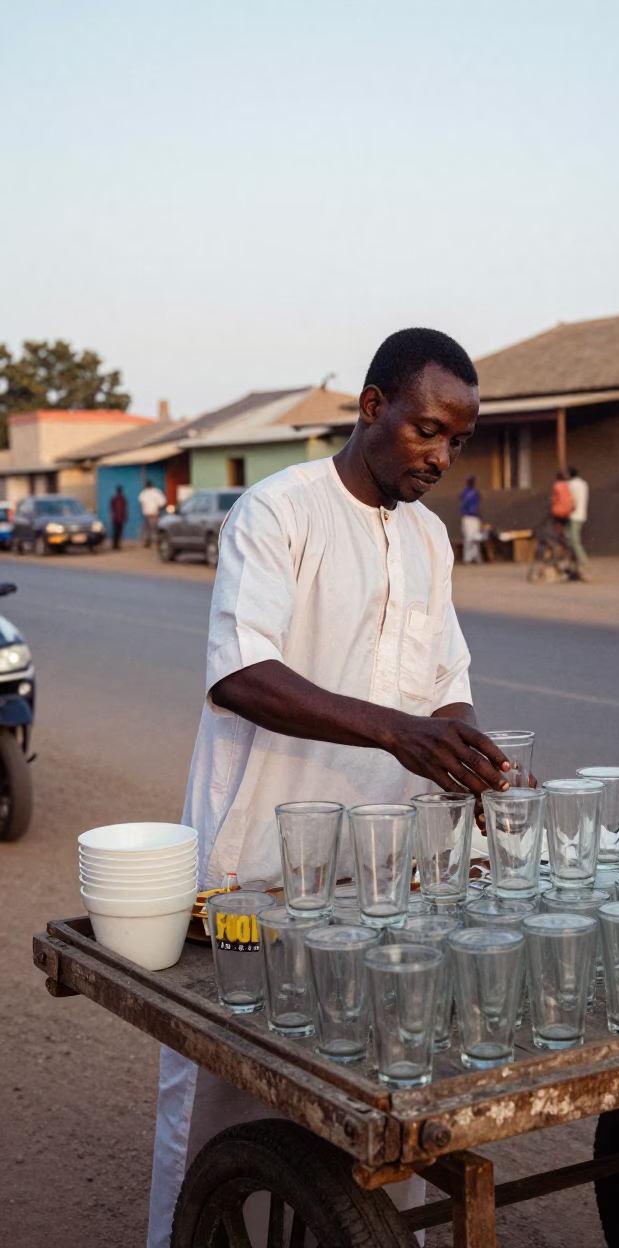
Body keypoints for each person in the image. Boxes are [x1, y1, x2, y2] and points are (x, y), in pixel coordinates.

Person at [146, 328, 514, 1248]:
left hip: (381, 866)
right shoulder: (278, 512)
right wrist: (399, 731)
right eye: (428, 430)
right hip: (257, 860)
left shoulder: (431, 538)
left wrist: (472, 753)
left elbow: (444, 679)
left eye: (457, 442)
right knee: (229, 1095)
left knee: (369, 1074)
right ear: (372, 406)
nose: (440, 455)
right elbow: (242, 672)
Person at [567, 466, 590, 580]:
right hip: (582, 514)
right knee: (574, 539)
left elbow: (570, 499)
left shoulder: (570, 485)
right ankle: (576, 562)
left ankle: (582, 560)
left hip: (573, 515)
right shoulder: (584, 484)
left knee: (573, 540)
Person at [459, 472, 483, 563]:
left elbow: (478, 505)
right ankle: (467, 559)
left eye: (471, 480)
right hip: (467, 517)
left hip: (475, 517)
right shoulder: (465, 492)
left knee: (476, 538)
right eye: (469, 480)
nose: (470, 482)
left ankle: (476, 558)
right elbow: (462, 503)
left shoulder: (476, 492)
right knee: (468, 539)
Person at [138, 479, 168, 548]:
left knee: (150, 529)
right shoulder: (155, 492)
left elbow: (141, 501)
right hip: (152, 513)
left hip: (149, 513)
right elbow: (163, 502)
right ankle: (151, 543)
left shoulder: (145, 493)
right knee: (151, 529)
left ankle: (152, 543)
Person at [109, 485, 127, 550]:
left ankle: (117, 545)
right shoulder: (114, 499)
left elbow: (124, 509)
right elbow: (111, 508)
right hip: (116, 519)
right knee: (115, 532)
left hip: (120, 519)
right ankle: (114, 545)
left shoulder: (123, 499)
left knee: (119, 532)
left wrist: (124, 517)